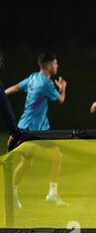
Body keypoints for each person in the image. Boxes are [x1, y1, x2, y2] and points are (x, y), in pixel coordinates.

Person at [5, 53, 68, 207]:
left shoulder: (33, 77)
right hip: (31, 130)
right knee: (34, 161)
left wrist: (3, 93)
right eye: (55, 63)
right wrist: (63, 88)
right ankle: (48, 194)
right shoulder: (46, 84)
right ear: (47, 66)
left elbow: (17, 87)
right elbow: (61, 100)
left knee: (50, 157)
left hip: (34, 127)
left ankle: (15, 193)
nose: (57, 66)